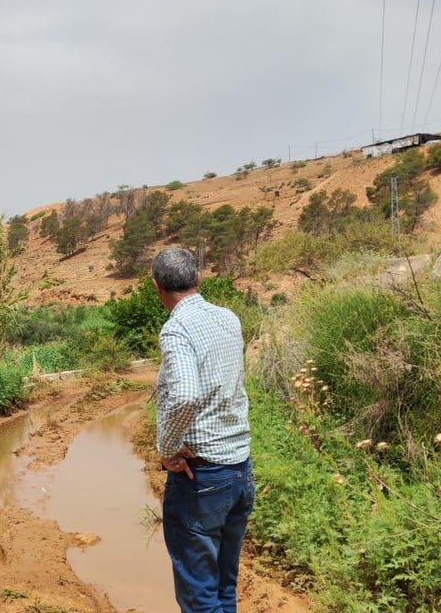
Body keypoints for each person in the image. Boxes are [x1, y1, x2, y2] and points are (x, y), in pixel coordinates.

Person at [151, 247, 254, 613]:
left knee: (199, 596)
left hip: (203, 477)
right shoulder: (229, 319)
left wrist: (167, 448)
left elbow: (186, 396)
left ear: (158, 288)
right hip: (240, 470)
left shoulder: (176, 328)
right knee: (225, 584)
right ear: (198, 279)